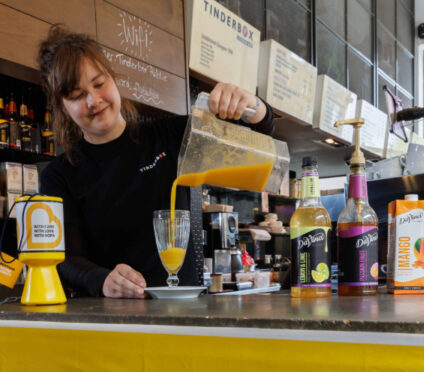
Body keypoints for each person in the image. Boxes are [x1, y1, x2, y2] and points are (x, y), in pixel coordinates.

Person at [38, 24, 275, 299]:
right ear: (63, 107)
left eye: (99, 83)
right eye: (77, 96)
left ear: (114, 79)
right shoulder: (61, 174)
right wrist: (103, 280)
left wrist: (253, 108)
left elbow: (261, 142)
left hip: (184, 311)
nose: (94, 100)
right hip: (112, 319)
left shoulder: (171, 137)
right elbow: (66, 257)